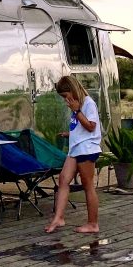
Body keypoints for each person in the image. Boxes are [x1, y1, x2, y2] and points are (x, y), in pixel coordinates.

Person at [44, 74, 103, 235]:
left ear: (72, 90)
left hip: (86, 149)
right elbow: (82, 128)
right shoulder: (77, 105)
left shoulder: (87, 103)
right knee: (63, 179)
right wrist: (70, 134)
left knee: (88, 185)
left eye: (65, 96)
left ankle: (93, 223)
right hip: (76, 148)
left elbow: (91, 127)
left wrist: (77, 111)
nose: (65, 100)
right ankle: (59, 217)